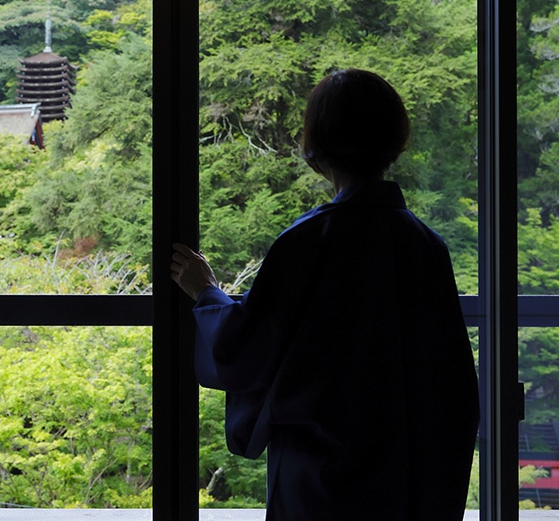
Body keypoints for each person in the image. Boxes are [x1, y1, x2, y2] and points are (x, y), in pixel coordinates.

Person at [170, 69, 479, 520]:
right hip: (408, 479)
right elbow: (452, 387)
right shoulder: (426, 246)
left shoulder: (307, 243)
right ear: (394, 139)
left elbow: (247, 351)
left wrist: (206, 293)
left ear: (318, 142)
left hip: (318, 480)